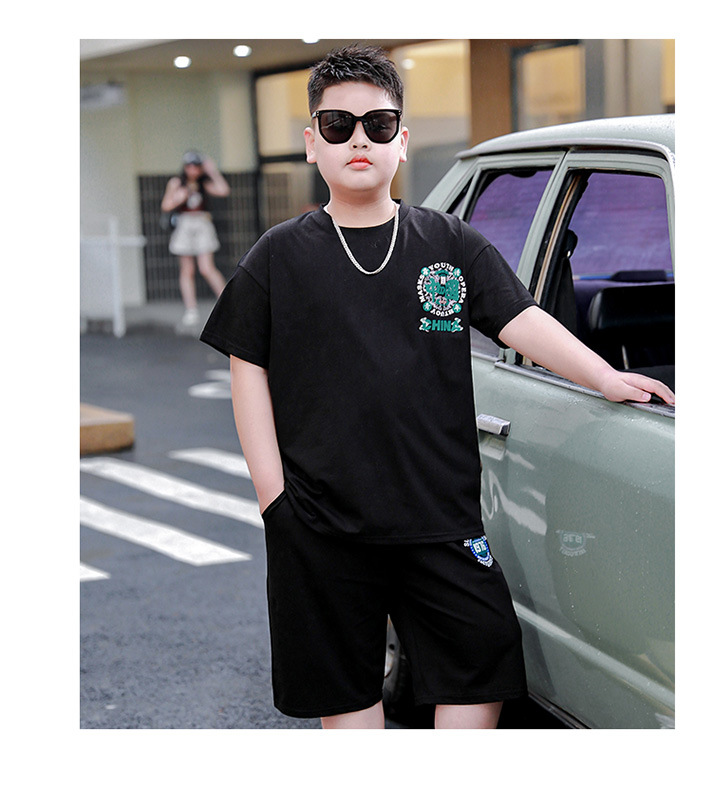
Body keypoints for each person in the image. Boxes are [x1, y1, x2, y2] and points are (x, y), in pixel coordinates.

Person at [200, 45, 675, 730]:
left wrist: (605, 377)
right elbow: (248, 372)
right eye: (337, 125)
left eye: (378, 124)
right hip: (322, 523)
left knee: (481, 662)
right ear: (311, 143)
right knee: (348, 696)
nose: (358, 139)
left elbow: (521, 319)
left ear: (401, 141)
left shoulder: (448, 242)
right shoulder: (279, 255)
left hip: (440, 518)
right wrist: (275, 500)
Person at [161, 151, 230, 328]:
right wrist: (179, 198)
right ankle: (191, 309)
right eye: (189, 166)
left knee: (206, 268)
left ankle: (228, 304)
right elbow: (166, 205)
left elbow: (223, 190)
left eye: (196, 166)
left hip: (202, 224)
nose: (193, 170)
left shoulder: (203, 184)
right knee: (187, 270)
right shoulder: (177, 183)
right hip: (184, 225)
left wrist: (213, 171)